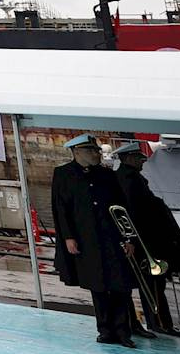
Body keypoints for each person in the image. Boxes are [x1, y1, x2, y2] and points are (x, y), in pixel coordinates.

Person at [51, 133, 139, 347]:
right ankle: (105, 330)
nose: (96, 154)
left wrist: (129, 238)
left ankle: (123, 331)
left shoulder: (106, 175)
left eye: (96, 150)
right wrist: (68, 237)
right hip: (87, 239)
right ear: (77, 152)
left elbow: (122, 207)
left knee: (120, 285)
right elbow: (61, 209)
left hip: (112, 238)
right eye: (91, 150)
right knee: (97, 286)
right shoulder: (63, 174)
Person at [113, 141, 180, 337]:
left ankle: (149, 322)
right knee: (153, 283)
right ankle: (159, 323)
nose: (143, 161)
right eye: (139, 158)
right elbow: (134, 213)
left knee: (149, 283)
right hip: (145, 241)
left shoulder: (127, 178)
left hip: (142, 239)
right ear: (129, 158)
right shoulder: (130, 181)